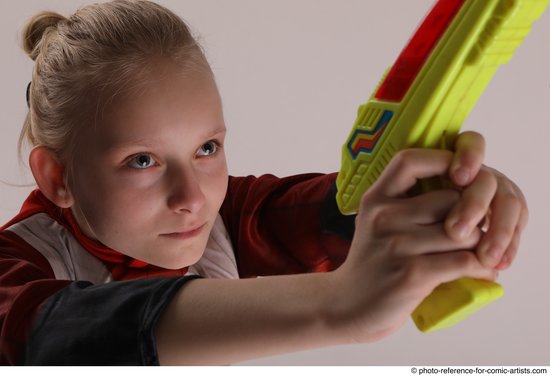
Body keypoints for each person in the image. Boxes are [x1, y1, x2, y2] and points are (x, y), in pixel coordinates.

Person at [0, 0, 528, 366]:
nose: (193, 198)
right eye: (142, 161)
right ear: (57, 176)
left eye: (207, 149)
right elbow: (58, 337)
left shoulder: (224, 219)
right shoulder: (12, 269)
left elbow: (338, 213)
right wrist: (335, 303)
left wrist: (432, 201)